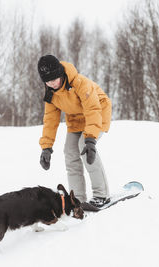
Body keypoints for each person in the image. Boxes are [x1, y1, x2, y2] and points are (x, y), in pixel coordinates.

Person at [37, 54, 112, 208]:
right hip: (76, 120)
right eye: (47, 81)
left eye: (54, 79)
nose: (51, 83)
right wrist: (46, 147)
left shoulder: (79, 83)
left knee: (83, 147)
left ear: (60, 73)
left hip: (98, 113)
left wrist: (90, 139)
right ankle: (77, 197)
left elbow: (92, 110)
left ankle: (101, 195)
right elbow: (50, 120)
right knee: (70, 152)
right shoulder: (50, 92)